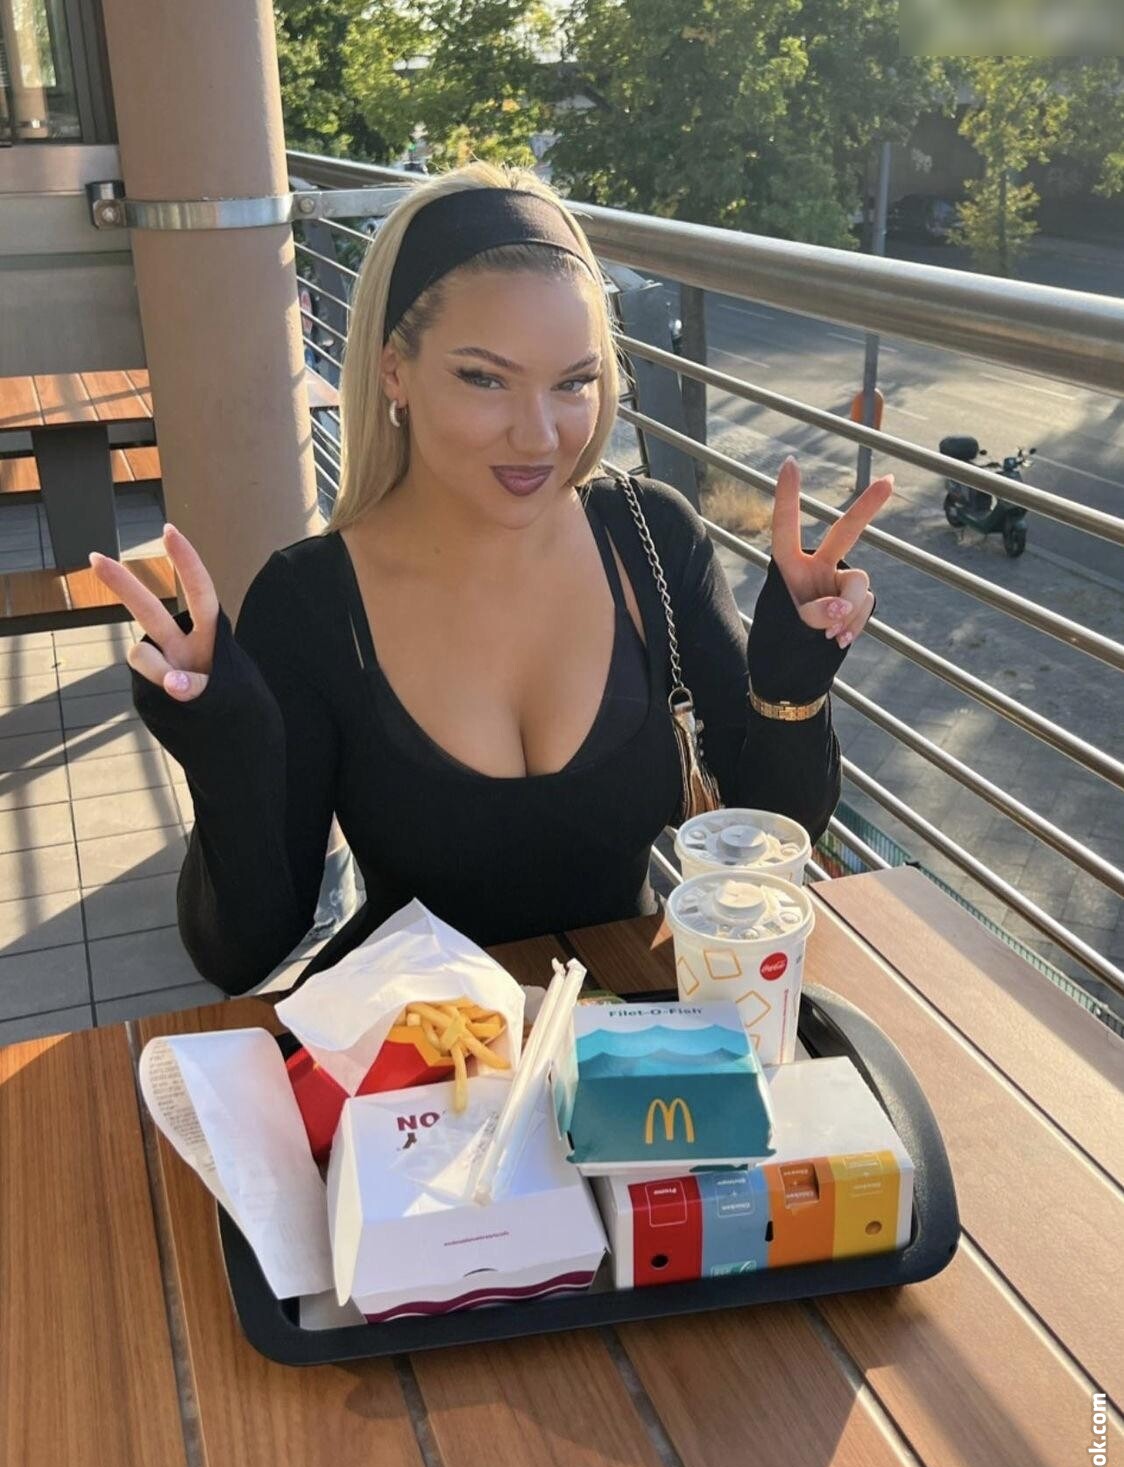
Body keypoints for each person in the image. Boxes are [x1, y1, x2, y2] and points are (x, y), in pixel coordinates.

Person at [91, 162, 886, 998]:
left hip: (627, 1032)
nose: (539, 436)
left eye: (574, 382)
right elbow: (243, 953)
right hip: (418, 1048)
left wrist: (792, 683)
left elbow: (772, 832)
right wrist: (229, 756)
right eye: (484, 378)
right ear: (394, 370)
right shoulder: (311, 601)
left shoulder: (651, 538)